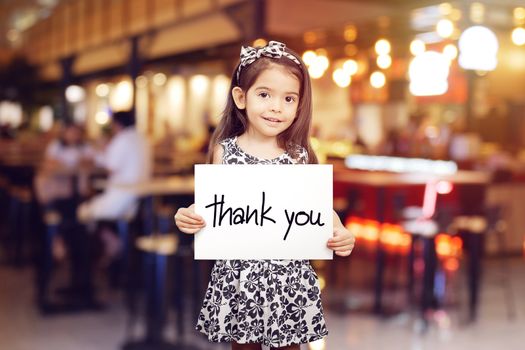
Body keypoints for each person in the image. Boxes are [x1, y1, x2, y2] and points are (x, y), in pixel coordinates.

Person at [174, 41, 355, 350]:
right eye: (264, 95)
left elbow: (316, 210)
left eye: (288, 98)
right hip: (240, 279)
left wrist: (339, 230)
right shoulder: (225, 151)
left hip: (289, 280)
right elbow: (215, 205)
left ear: (299, 105)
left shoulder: (300, 156)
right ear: (241, 97)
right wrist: (189, 215)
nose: (276, 107)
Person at [77, 110, 151, 222]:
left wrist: (97, 153)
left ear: (117, 124)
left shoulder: (121, 139)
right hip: (140, 197)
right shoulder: (143, 139)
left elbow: (110, 167)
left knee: (83, 211)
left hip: (122, 195)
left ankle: (111, 239)